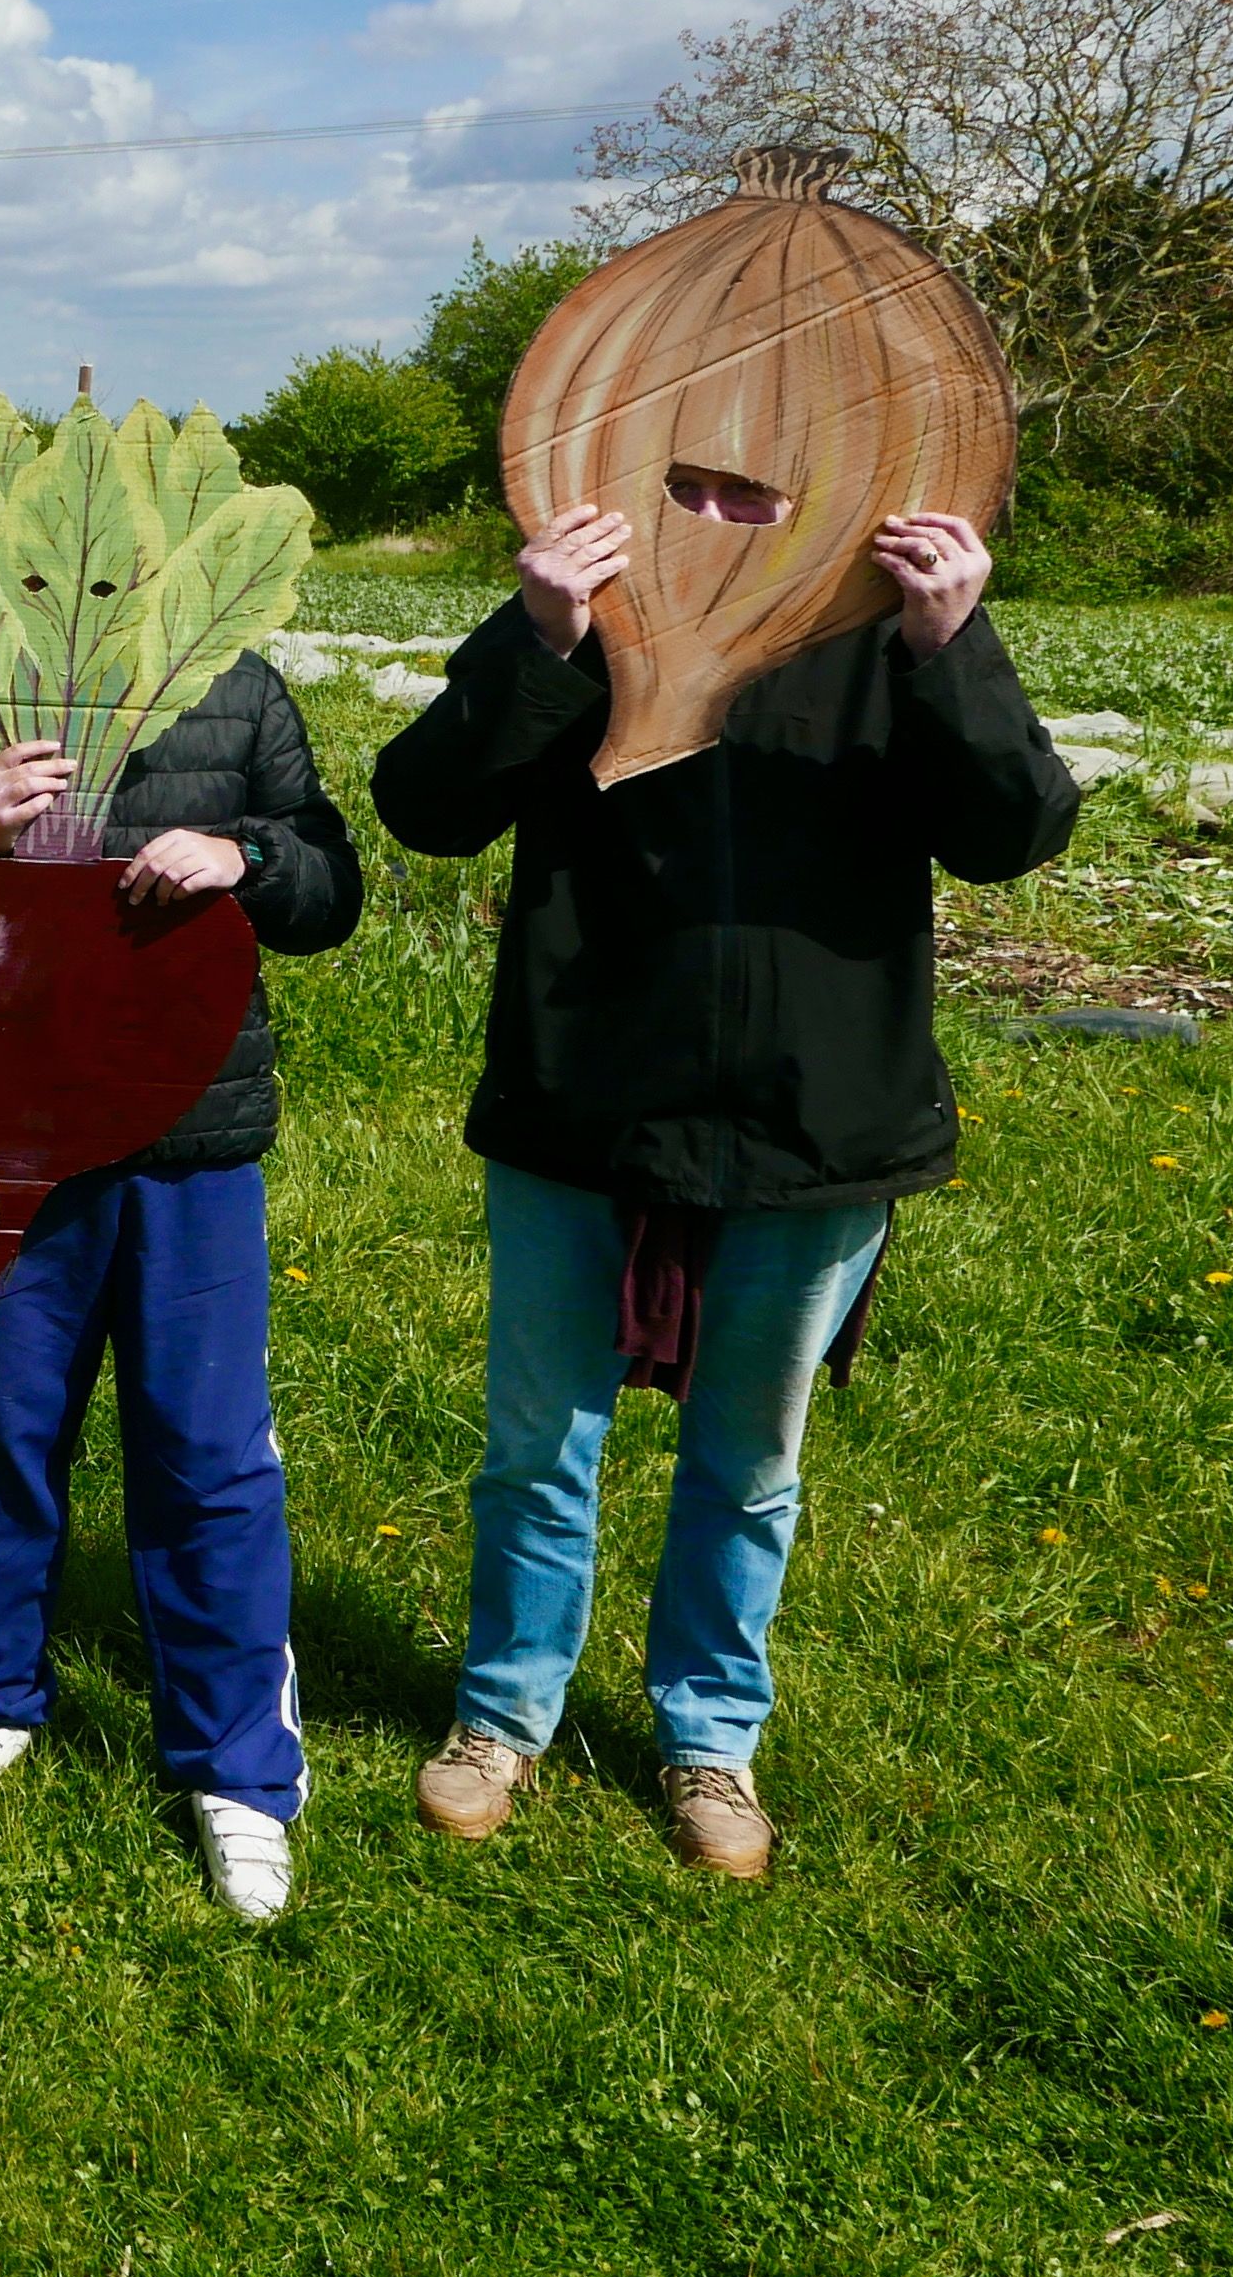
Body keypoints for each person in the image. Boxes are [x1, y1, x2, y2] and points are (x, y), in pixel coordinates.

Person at [372, 498, 1073, 1877]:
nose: (720, 511)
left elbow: (1016, 829)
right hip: (583, 1100)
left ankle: (710, 1737)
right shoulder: (592, 616)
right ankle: (501, 1717)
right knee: (536, 1448)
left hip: (815, 1119)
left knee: (750, 1460)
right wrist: (545, 639)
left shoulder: (884, 634)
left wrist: (952, 642)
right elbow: (425, 806)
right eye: (693, 478)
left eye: (757, 483)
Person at [0, 628, 362, 1922]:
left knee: (209, 1455)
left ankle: (238, 1767)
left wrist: (248, 858)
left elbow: (330, 885)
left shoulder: (233, 690)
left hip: (193, 1142)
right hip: (7, 1134)